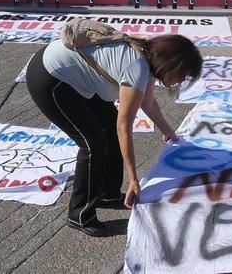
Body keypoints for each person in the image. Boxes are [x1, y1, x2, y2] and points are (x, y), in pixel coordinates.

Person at [25, 22, 203, 237]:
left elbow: (148, 102)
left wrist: (167, 130)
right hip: (50, 78)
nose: (179, 81)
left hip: (74, 76)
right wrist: (133, 179)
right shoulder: (137, 66)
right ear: (171, 66)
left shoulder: (148, 58)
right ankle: (80, 215)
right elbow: (124, 128)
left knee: (108, 127)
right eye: (181, 76)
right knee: (93, 144)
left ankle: (107, 194)